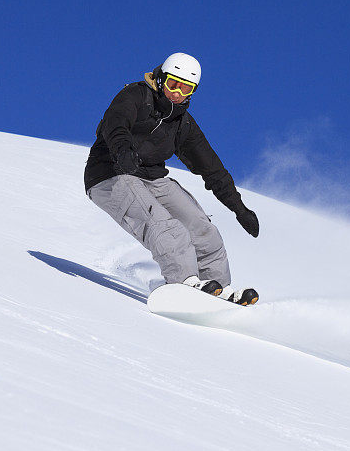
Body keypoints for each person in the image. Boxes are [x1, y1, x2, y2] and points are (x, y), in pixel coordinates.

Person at [85, 52, 260, 305]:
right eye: (172, 84)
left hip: (153, 178)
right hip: (110, 173)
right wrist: (122, 150)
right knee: (165, 225)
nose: (177, 93)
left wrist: (239, 208)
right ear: (160, 79)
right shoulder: (136, 96)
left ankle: (218, 290)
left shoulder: (182, 124)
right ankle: (183, 283)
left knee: (203, 228)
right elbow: (116, 123)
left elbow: (213, 169)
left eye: (185, 88)